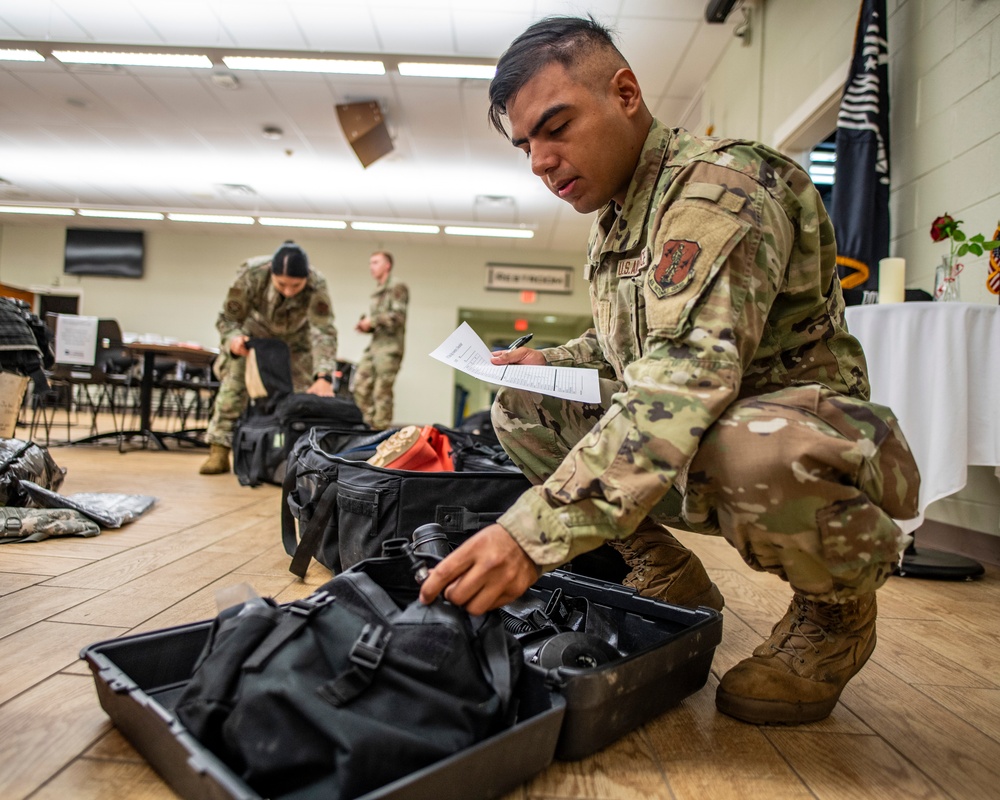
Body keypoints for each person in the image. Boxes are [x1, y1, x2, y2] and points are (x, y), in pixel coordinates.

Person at [419, 15, 920, 726]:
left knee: (748, 443)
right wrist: (549, 363)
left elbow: (683, 377)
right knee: (521, 407)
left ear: (625, 92)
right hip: (702, 441)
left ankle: (835, 613)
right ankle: (670, 576)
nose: (540, 160)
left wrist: (530, 534)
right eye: (527, 144)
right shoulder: (620, 220)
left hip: (797, 447)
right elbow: (630, 344)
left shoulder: (724, 189)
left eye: (556, 126)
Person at [199, 241, 338, 475]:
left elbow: (323, 331)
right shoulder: (252, 274)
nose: (289, 291)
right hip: (254, 336)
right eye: (282, 284)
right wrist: (233, 340)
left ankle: (297, 453)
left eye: (296, 285)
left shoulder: (316, 284)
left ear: (306, 278)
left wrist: (324, 375)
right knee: (235, 384)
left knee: (303, 396)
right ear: (271, 274)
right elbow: (228, 320)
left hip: (297, 340)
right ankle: (219, 449)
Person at [352, 250, 408, 429]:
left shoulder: (397, 286)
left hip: (389, 349)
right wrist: (366, 326)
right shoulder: (378, 291)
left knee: (381, 392)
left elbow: (398, 317)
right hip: (375, 346)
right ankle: (368, 425)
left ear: (387, 265)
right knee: (360, 384)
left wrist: (372, 321)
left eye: (376, 262)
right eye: (370, 263)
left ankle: (380, 430)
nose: (371, 267)